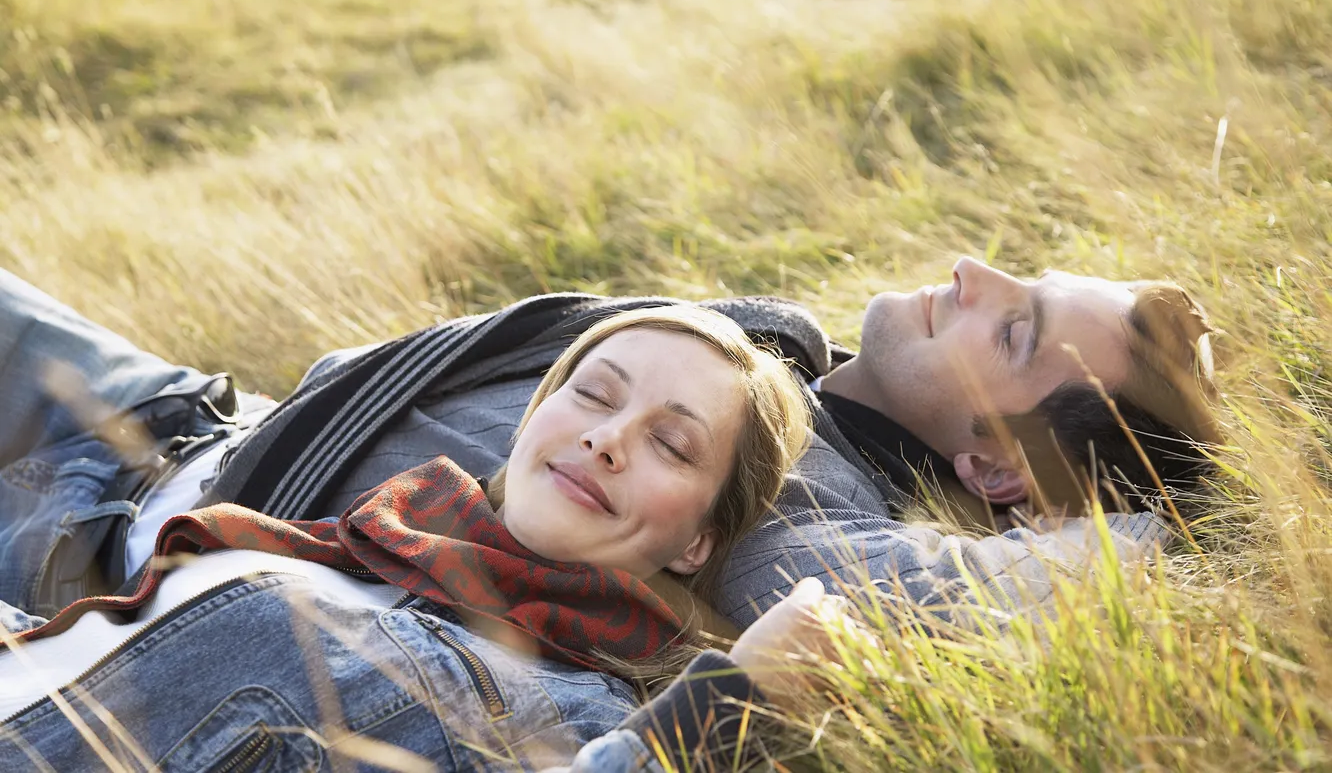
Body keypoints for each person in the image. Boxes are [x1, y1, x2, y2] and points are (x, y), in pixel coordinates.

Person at [0, 255, 1220, 630]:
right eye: (1022, 278)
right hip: (183, 413)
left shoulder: (796, 508)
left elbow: (921, 596)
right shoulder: (780, 352)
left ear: (998, 467)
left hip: (89, 541)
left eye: (1013, 328)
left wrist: (1165, 528)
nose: (972, 270)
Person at [0, 306, 819, 771]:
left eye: (672, 444)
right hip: (133, 455)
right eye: (596, 395)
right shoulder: (387, 537)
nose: (608, 439)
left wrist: (731, 698)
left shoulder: (567, 714)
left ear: (697, 544)